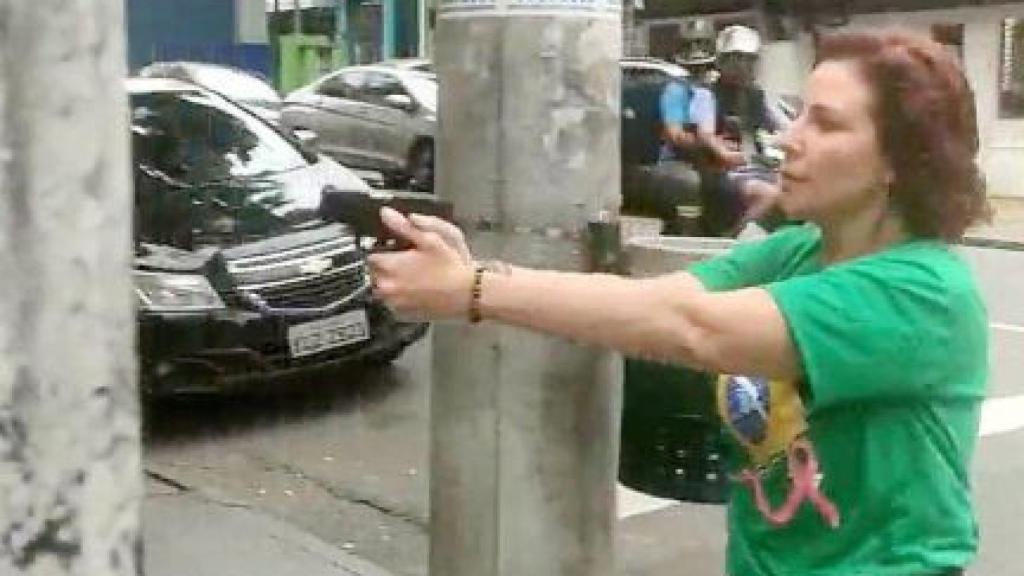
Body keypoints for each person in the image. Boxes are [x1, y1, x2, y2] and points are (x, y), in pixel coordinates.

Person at [369, 30, 989, 576]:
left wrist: (472, 291)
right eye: (798, 116)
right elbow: (658, 301)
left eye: (826, 125)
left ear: (898, 164)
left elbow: (690, 329)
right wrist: (471, 271)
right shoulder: (801, 250)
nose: (789, 139)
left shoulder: (922, 292)